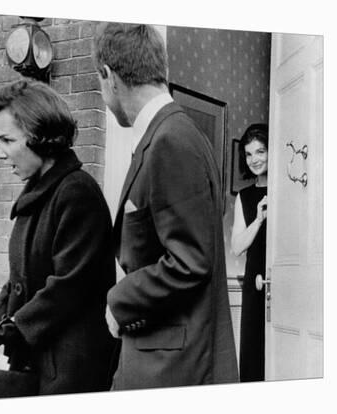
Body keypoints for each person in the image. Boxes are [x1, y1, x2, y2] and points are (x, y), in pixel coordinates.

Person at [93, 22, 238, 389]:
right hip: (163, 359)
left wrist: (119, 300)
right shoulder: (174, 134)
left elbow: (191, 261)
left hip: (172, 369)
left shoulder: (170, 140)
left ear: (109, 76)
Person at [0, 79, 117, 396]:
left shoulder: (77, 192)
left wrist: (9, 332)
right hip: (39, 361)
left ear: (41, 137)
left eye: (6, 140)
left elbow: (70, 285)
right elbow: (16, 283)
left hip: (70, 369)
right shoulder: (37, 195)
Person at [231, 123, 268, 382]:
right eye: (248, 154)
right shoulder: (243, 197)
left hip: (280, 282)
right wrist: (258, 220)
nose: (254, 159)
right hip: (254, 286)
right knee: (253, 358)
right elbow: (236, 247)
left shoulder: (289, 190)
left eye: (260, 152)